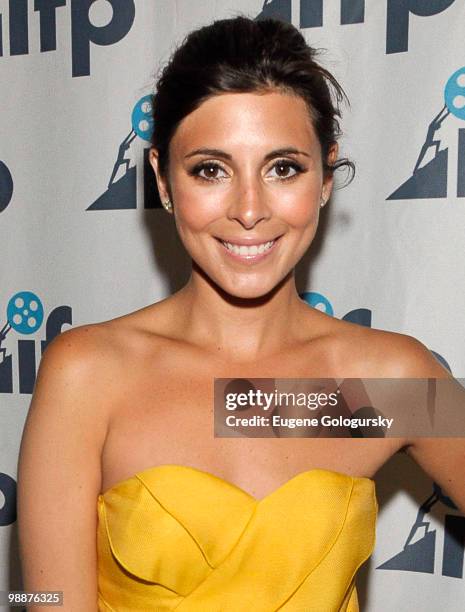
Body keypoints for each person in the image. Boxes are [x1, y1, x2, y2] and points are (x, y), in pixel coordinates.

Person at [17, 14, 465, 612]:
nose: (249, 210)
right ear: (163, 178)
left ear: (327, 176)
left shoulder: (384, 383)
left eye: (283, 168)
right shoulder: (88, 373)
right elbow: (41, 597)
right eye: (211, 170)